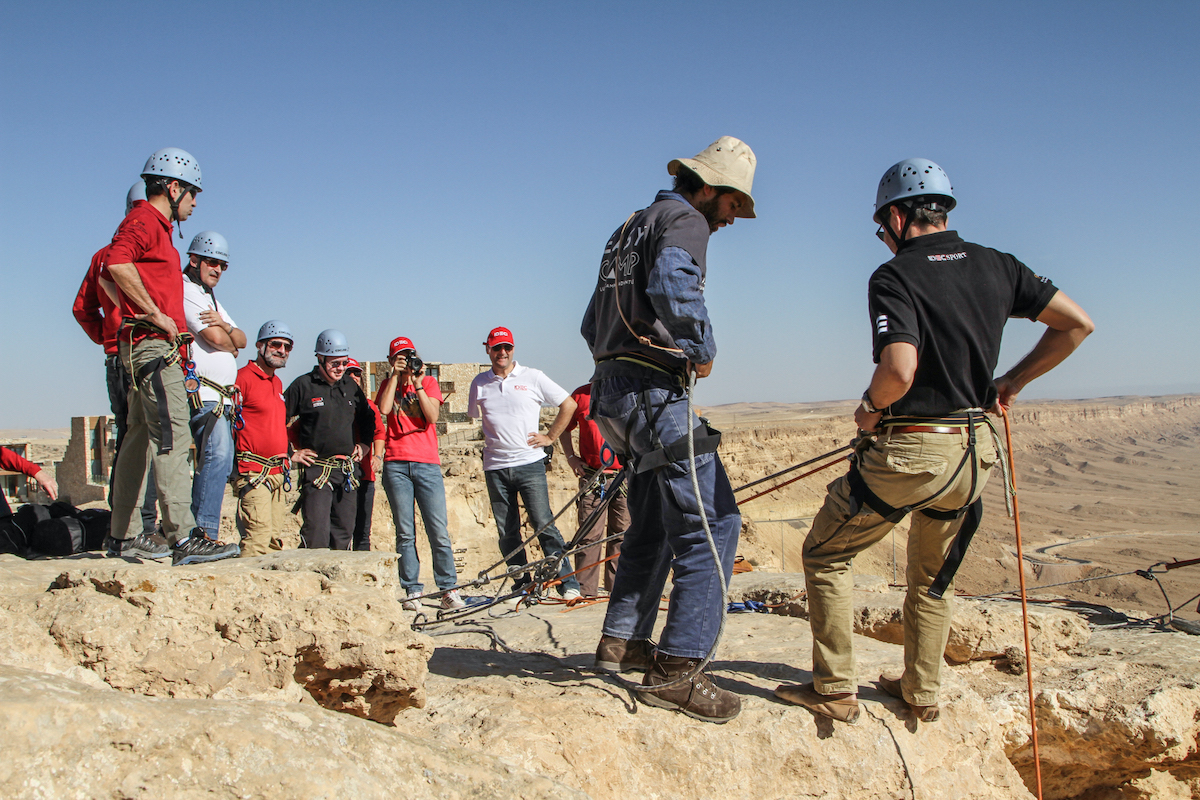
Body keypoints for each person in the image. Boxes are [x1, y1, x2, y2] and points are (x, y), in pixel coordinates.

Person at [775, 158, 1094, 725]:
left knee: (825, 553)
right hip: (972, 452)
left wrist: (869, 410)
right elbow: (1076, 323)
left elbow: (899, 368)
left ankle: (834, 689)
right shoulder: (999, 265)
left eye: (881, 228)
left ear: (898, 215)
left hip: (914, 447)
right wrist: (1012, 381)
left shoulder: (894, 276)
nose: (882, 238)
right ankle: (920, 689)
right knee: (933, 577)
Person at [581, 135, 757, 723]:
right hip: (654, 393)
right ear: (708, 188)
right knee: (714, 523)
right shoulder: (685, 218)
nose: (731, 220)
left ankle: (623, 640)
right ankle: (678, 669)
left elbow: (590, 320)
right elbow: (672, 285)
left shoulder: (630, 224)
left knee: (653, 519)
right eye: (732, 205)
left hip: (610, 391)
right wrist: (700, 350)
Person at [99, 147, 240, 565]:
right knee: (175, 439)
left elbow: (111, 272)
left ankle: (122, 536)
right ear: (173, 187)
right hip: (156, 351)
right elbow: (114, 264)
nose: (195, 203)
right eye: (193, 193)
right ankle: (183, 537)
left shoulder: (156, 228)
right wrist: (153, 314)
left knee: (138, 440)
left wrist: (136, 314)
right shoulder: (145, 220)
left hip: (146, 348)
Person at [467, 326, 582, 601]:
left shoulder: (533, 377)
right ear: (488, 350)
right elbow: (474, 415)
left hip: (529, 464)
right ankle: (521, 584)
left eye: (507, 347)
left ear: (513, 349)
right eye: (497, 348)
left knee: (543, 523)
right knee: (507, 531)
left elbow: (569, 405)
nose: (502, 353)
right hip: (495, 467)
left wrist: (551, 437)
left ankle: (566, 582)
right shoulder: (479, 383)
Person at [73, 180, 158, 536]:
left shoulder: (105, 255)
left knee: (132, 438)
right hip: (139, 357)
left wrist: (108, 339)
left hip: (120, 357)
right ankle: (137, 528)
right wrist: (111, 339)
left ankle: (128, 527)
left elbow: (82, 309)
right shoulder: (146, 256)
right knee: (146, 439)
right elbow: (83, 309)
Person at [375, 337, 464, 610]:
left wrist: (417, 383)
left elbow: (432, 417)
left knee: (438, 529)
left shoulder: (429, 383)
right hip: (396, 463)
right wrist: (393, 378)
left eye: (408, 356)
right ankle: (412, 589)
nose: (405, 362)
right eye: (400, 357)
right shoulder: (387, 385)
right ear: (392, 360)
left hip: (426, 463)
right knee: (405, 532)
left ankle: (448, 588)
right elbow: (384, 409)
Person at [284, 329, 375, 550]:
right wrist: (290, 452)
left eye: (344, 363)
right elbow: (278, 418)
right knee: (316, 532)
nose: (341, 369)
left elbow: (368, 418)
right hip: (317, 470)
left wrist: (364, 444)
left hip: (345, 471)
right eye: (335, 364)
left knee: (343, 530)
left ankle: (337, 582)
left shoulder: (350, 386)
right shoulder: (303, 385)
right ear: (321, 358)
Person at [182, 231, 246, 541]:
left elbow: (241, 340)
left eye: (223, 265)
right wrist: (226, 337)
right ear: (194, 259)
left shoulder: (210, 298)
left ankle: (202, 531)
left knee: (217, 458)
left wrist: (225, 327)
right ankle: (202, 534)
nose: (218, 270)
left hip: (220, 398)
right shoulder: (187, 292)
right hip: (203, 395)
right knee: (216, 456)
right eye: (212, 262)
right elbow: (218, 340)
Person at [557, 383, 627, 597]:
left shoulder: (626, 391)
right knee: (589, 536)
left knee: (623, 533)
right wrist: (570, 458)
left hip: (624, 476)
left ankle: (618, 590)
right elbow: (563, 427)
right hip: (593, 476)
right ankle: (586, 592)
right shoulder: (581, 395)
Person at [233, 321, 295, 556]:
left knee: (273, 541)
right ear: (260, 346)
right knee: (256, 540)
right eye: (276, 344)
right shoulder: (242, 378)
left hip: (277, 474)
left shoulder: (277, 383)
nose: (282, 350)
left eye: (287, 347)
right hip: (254, 473)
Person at [345, 358, 385, 552]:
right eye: (349, 372)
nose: (354, 377)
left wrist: (377, 456)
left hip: (365, 475)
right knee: (341, 530)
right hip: (341, 477)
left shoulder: (369, 406)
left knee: (362, 533)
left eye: (357, 373)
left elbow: (379, 432)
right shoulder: (333, 405)